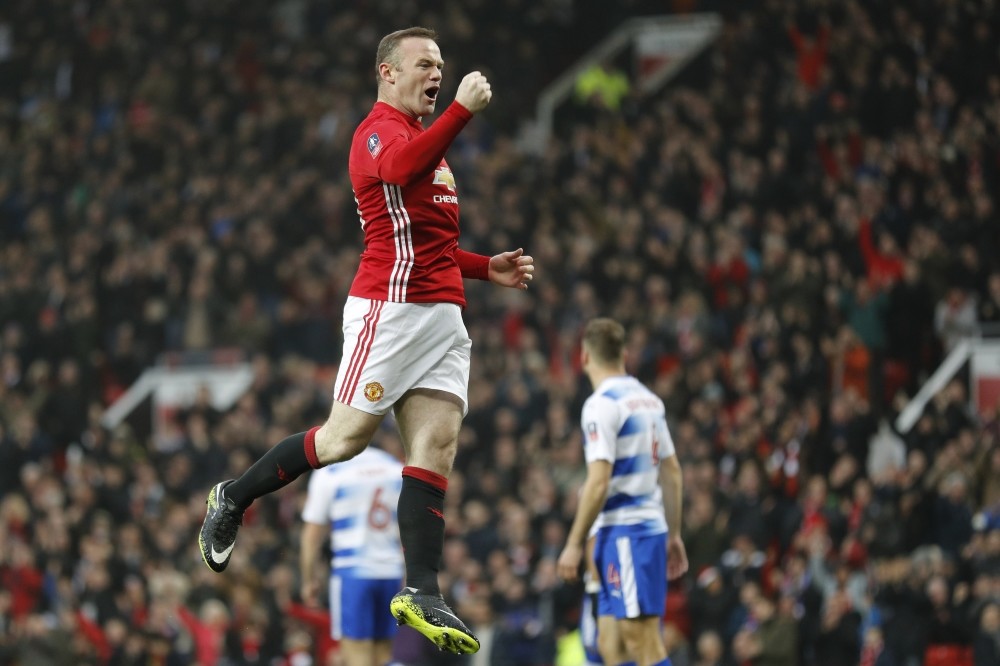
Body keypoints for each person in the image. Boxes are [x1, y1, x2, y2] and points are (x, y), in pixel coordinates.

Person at [198, 26, 535, 656]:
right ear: (387, 73)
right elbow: (401, 172)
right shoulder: (377, 132)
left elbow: (427, 242)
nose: (437, 73)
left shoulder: (428, 141)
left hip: (442, 316)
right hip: (391, 309)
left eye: (442, 65)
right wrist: (462, 108)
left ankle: (422, 590)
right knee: (344, 440)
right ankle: (232, 497)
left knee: (437, 444)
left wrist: (484, 265)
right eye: (424, 64)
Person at [557, 317, 689, 666]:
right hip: (639, 531)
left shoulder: (601, 404)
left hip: (629, 531)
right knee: (609, 645)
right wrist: (673, 534)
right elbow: (672, 472)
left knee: (642, 642)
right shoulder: (648, 399)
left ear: (584, 357)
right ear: (624, 354)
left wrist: (573, 544)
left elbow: (599, 482)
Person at [300, 442, 404, 666]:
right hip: (391, 572)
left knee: (356, 657)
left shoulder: (333, 471)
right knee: (384, 656)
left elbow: (312, 535)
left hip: (353, 575)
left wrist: (309, 579)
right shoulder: (395, 468)